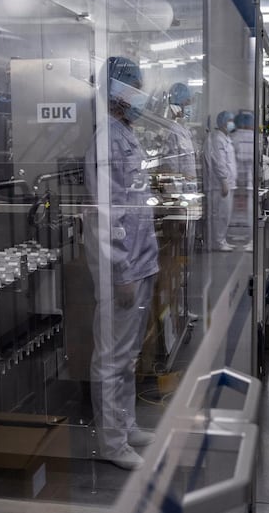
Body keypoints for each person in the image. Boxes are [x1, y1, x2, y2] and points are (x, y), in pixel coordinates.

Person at [84, 57, 159, 470]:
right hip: (124, 269)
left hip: (140, 261)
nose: (139, 95)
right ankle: (111, 442)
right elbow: (107, 213)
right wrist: (120, 271)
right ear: (114, 91)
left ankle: (127, 425)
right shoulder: (106, 139)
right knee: (111, 357)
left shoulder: (126, 134)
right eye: (133, 87)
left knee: (128, 354)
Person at [205, 111, 238, 251]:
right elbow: (219, 162)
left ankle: (221, 240)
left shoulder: (225, 138)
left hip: (226, 183)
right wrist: (224, 180)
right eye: (230, 120)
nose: (232, 123)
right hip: (219, 185)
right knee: (219, 214)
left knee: (224, 214)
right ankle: (217, 242)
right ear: (224, 123)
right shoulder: (216, 139)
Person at [164, 82, 198, 181]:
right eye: (187, 103)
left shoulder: (184, 129)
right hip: (181, 189)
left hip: (189, 188)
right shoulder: (172, 131)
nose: (190, 107)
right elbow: (172, 168)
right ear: (177, 106)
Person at [231, 111, 256, 250]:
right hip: (250, 179)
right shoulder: (254, 137)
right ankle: (251, 239)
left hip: (235, 179)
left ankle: (235, 233)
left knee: (235, 208)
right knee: (250, 209)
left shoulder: (233, 137)